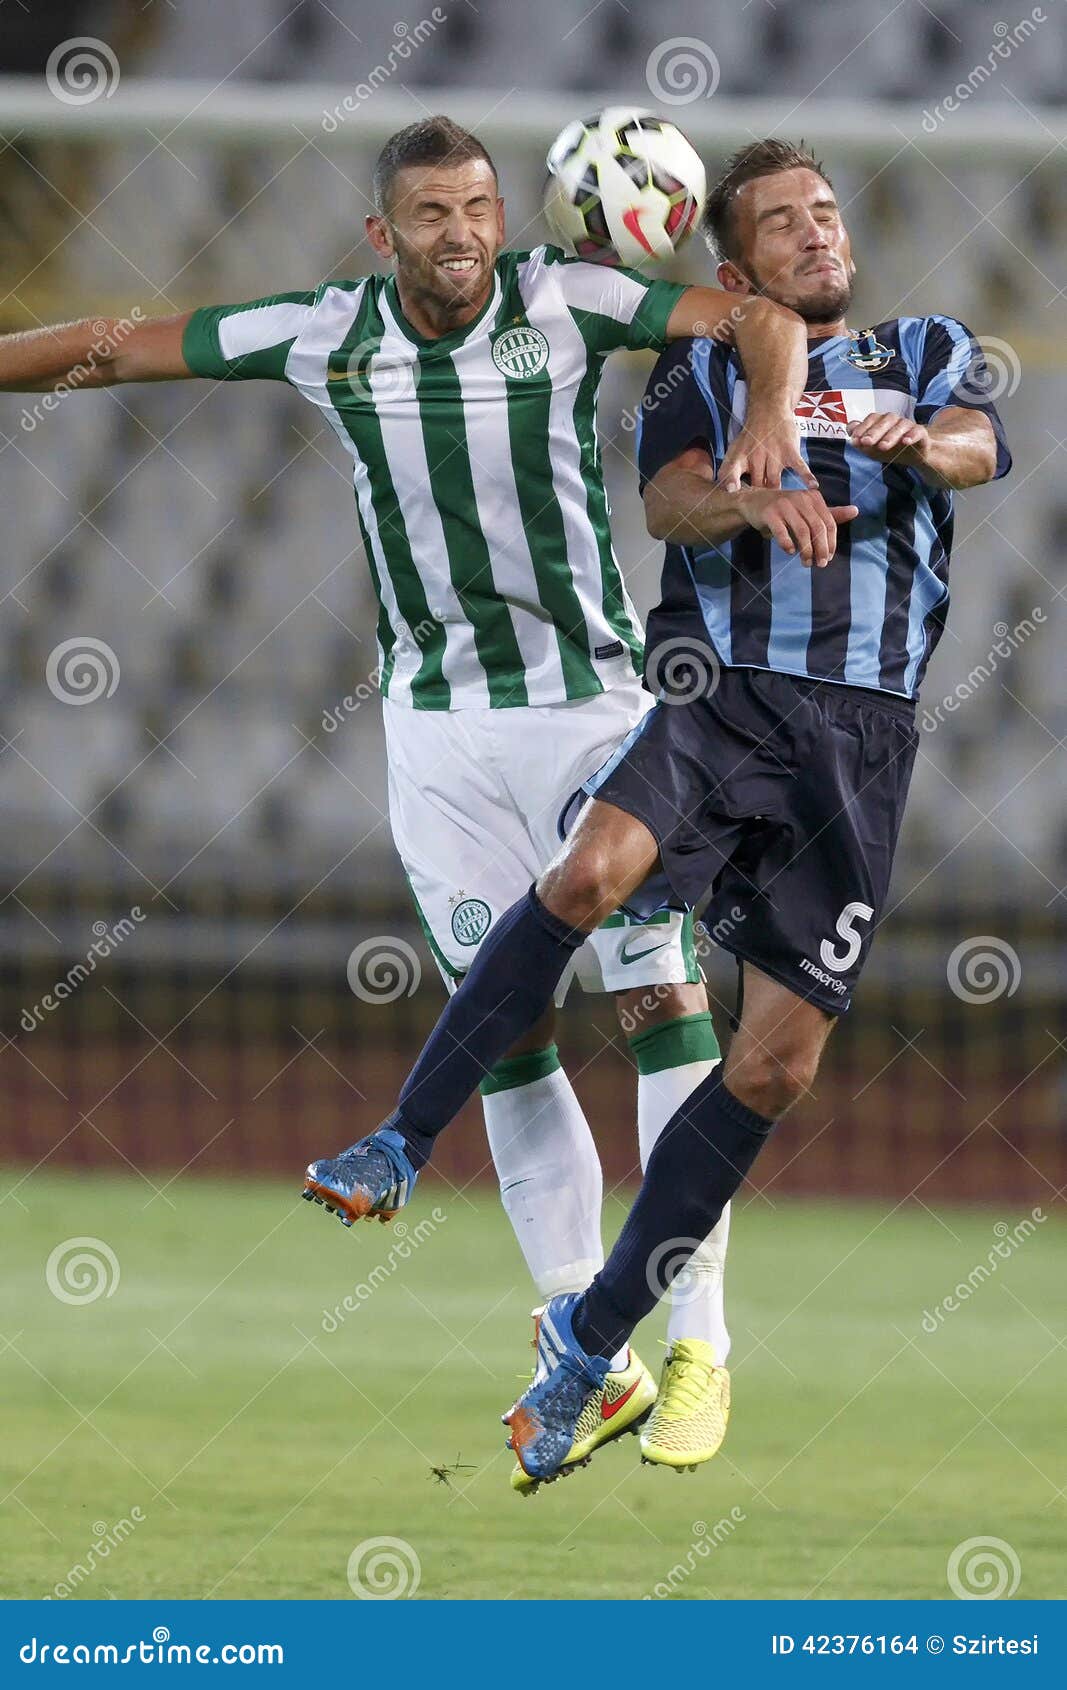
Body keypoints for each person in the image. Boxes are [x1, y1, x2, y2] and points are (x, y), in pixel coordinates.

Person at [0, 117, 819, 1490]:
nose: (460, 234)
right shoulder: (329, 331)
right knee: (505, 1038)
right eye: (432, 214)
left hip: (592, 714)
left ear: (510, 218)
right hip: (435, 737)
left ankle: (701, 1338)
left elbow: (753, 317)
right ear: (386, 237)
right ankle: (586, 1339)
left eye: (480, 208)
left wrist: (768, 414)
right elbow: (123, 342)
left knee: (658, 995)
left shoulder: (572, 301)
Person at [303, 138, 1011, 1486]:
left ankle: (591, 1345)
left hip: (859, 746)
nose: (818, 235)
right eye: (784, 226)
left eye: (828, 214)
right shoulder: (703, 366)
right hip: (720, 691)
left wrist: (922, 441)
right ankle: (401, 1136)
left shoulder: (921, 347)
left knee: (774, 1069)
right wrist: (755, 477)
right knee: (590, 877)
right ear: (735, 267)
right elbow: (673, 504)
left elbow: (982, 443)